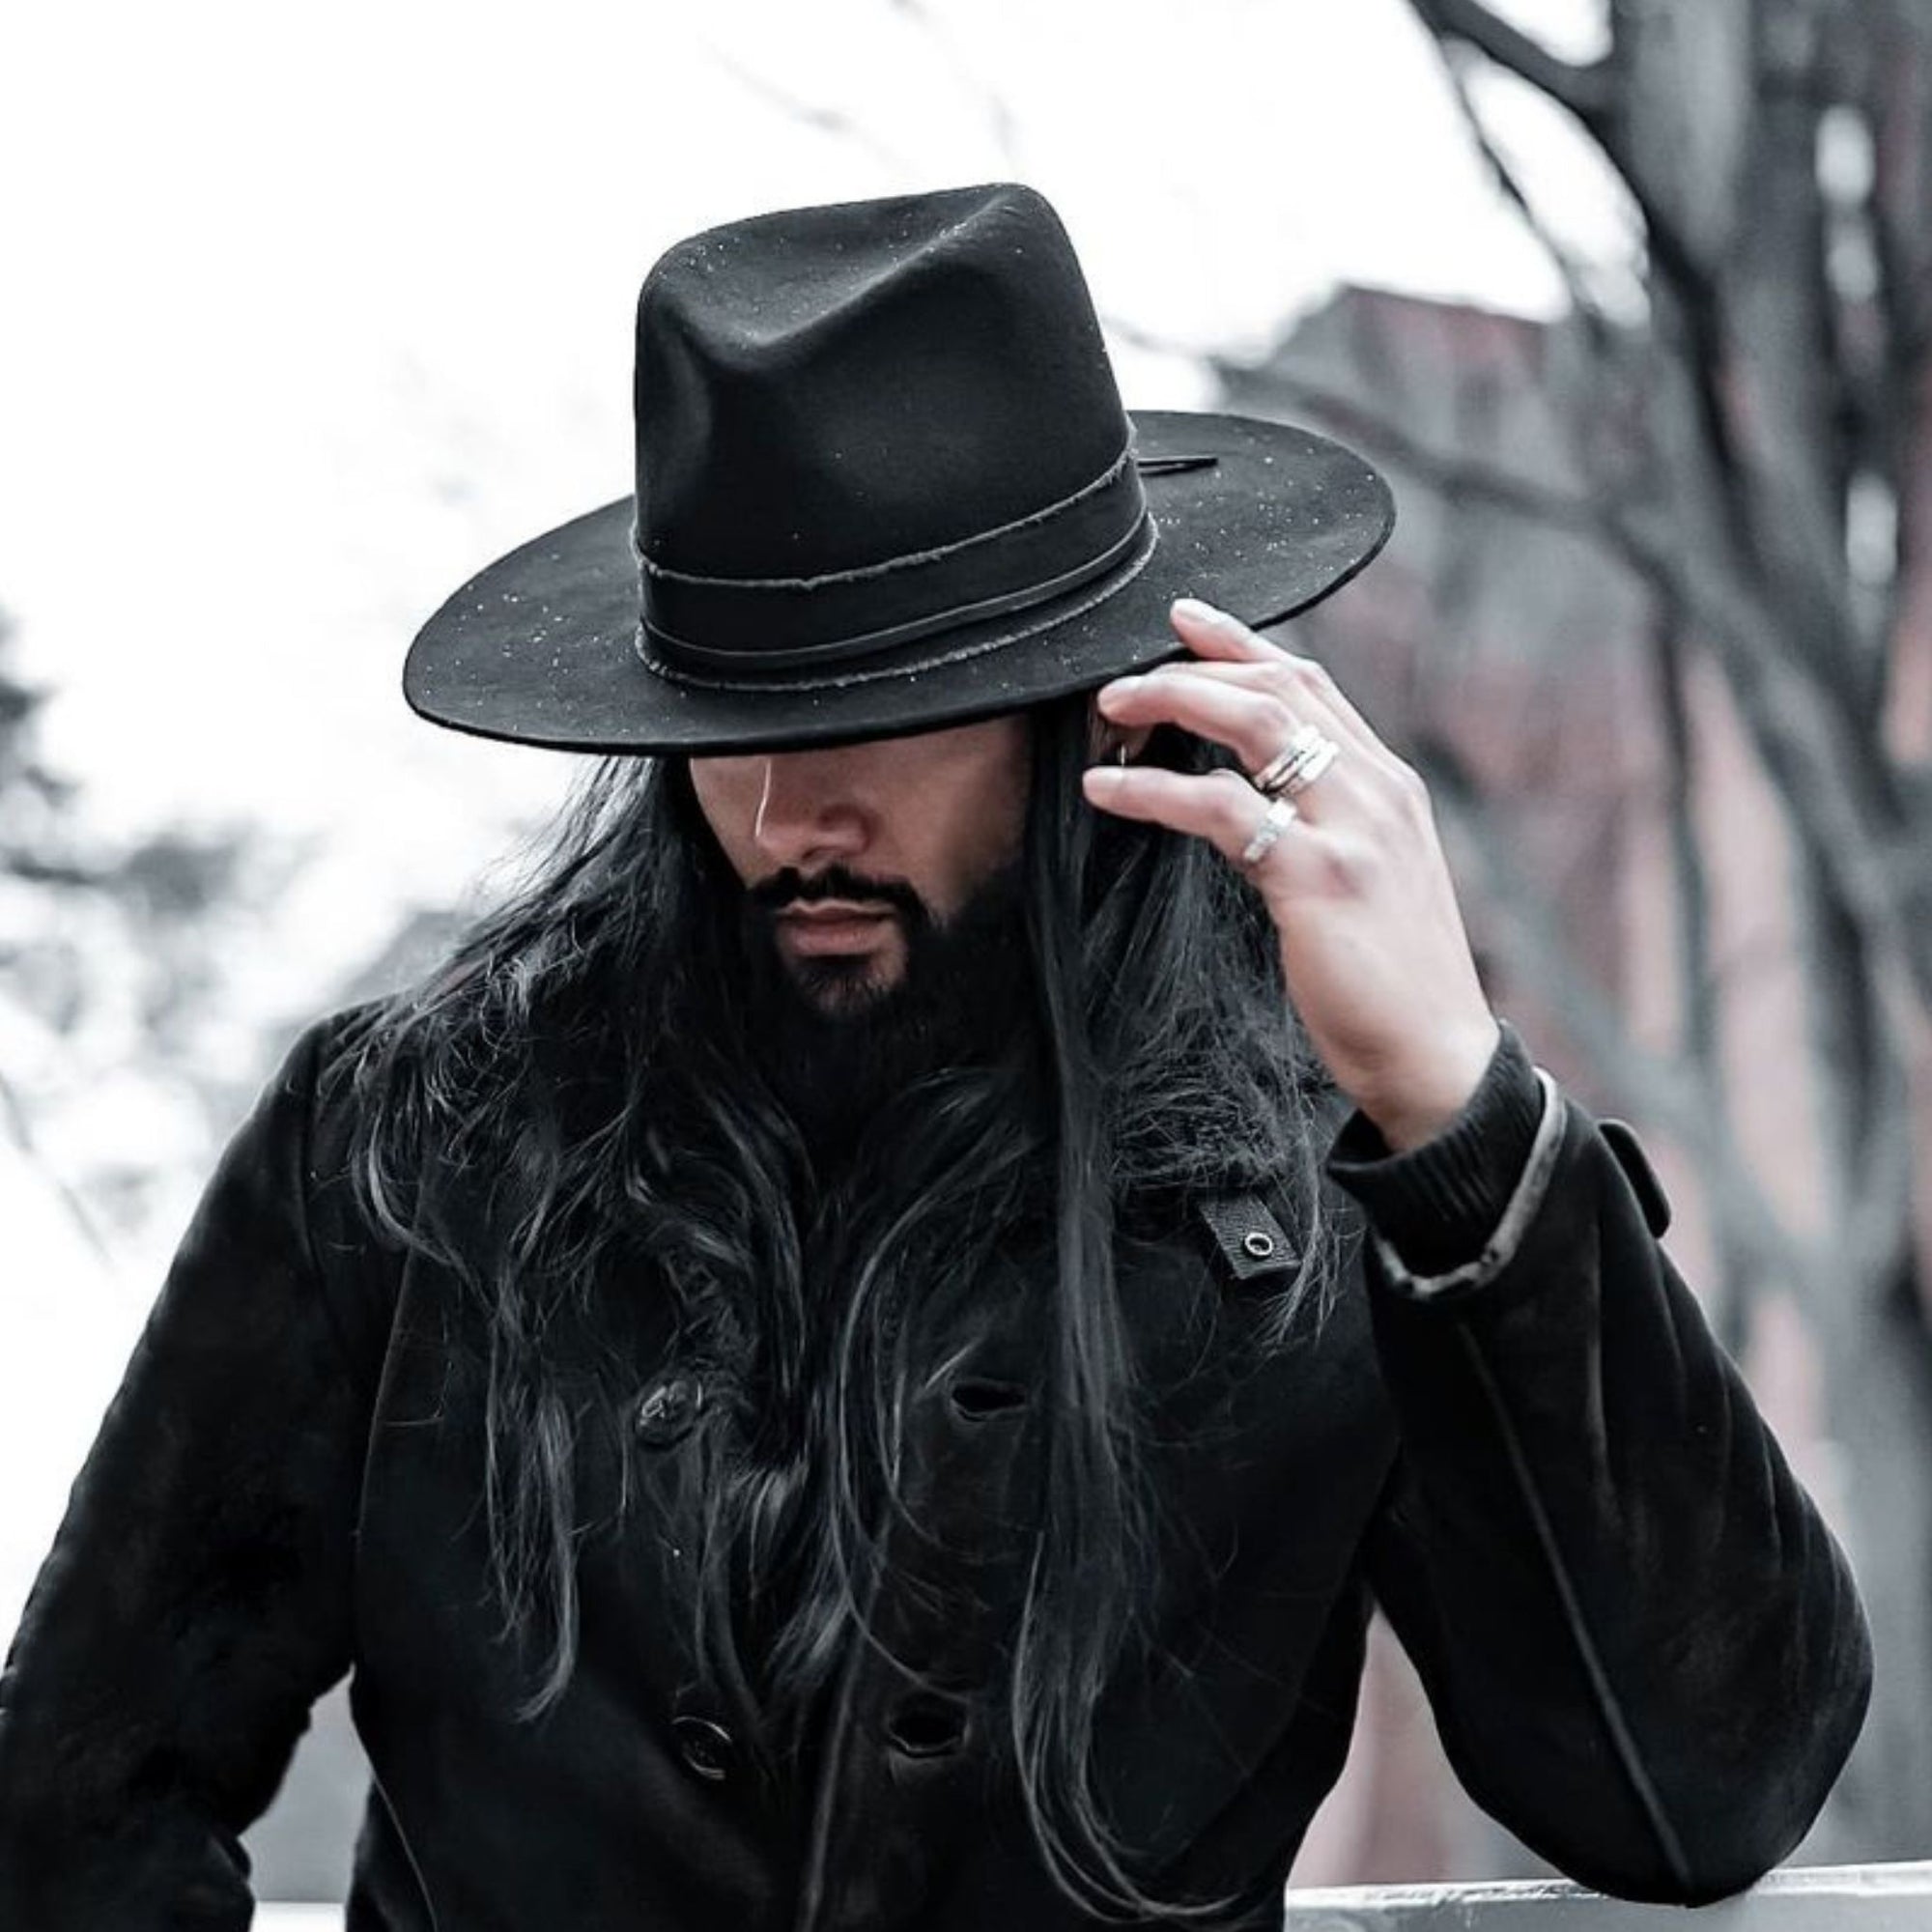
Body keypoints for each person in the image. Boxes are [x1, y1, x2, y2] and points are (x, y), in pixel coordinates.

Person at [0, 183, 1870, 1932]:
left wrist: (1464, 1123)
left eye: (895, 717)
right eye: (728, 723)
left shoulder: (1308, 1185)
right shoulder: (405, 1147)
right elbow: (75, 1811)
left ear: (1082, 710)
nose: (793, 807)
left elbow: (1697, 1791)